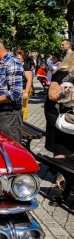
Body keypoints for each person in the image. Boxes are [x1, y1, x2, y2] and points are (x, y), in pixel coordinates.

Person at [44, 52, 74, 189]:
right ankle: (61, 180)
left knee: (69, 146)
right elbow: (52, 95)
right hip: (57, 115)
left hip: (69, 115)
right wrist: (71, 98)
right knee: (60, 147)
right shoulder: (63, 73)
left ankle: (66, 176)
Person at [15, 49, 33, 121]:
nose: (17, 60)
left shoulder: (25, 66)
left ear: (22, 59)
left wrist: (26, 92)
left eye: (19, 58)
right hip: (17, 89)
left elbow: (29, 80)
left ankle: (24, 121)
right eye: (16, 58)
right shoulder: (15, 66)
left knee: (24, 107)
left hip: (24, 89)